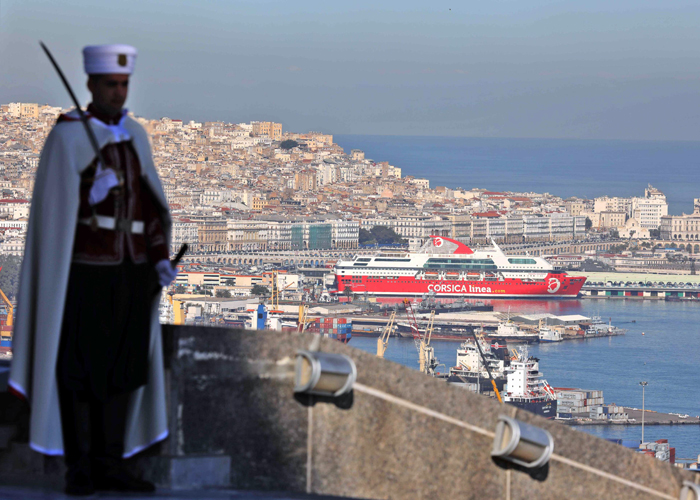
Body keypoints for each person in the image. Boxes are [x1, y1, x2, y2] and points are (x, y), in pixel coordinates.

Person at [9, 44, 177, 496]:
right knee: (79, 373)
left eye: (124, 84)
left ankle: (112, 463)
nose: (118, 92)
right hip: (84, 274)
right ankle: (79, 466)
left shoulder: (135, 136)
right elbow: (56, 213)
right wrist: (90, 192)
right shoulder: (67, 137)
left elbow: (149, 207)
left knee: (124, 372)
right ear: (91, 84)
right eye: (110, 84)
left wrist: (159, 257)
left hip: (131, 274)